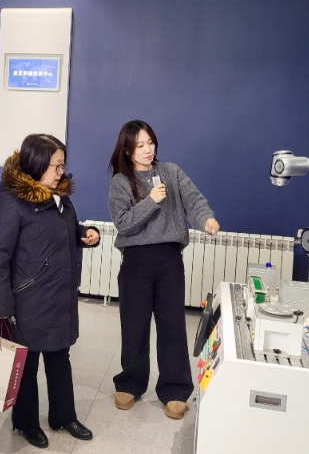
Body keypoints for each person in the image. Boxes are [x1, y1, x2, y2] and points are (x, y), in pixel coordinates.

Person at [0, 134, 100, 449]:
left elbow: (63, 231)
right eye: (55, 166)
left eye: (63, 165)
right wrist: (2, 309)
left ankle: (64, 416)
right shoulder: (10, 203)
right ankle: (26, 423)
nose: (61, 172)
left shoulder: (59, 197)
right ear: (36, 164)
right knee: (27, 363)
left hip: (60, 295)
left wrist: (86, 233)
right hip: (27, 300)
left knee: (60, 357)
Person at [108, 120, 220, 420]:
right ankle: (130, 383)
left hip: (169, 259)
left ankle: (175, 388)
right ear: (127, 150)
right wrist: (150, 201)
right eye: (140, 145)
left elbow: (194, 200)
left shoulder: (171, 171)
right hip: (136, 261)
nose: (147, 149)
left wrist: (205, 219)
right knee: (134, 325)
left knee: (172, 325)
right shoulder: (121, 181)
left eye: (150, 142)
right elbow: (123, 223)